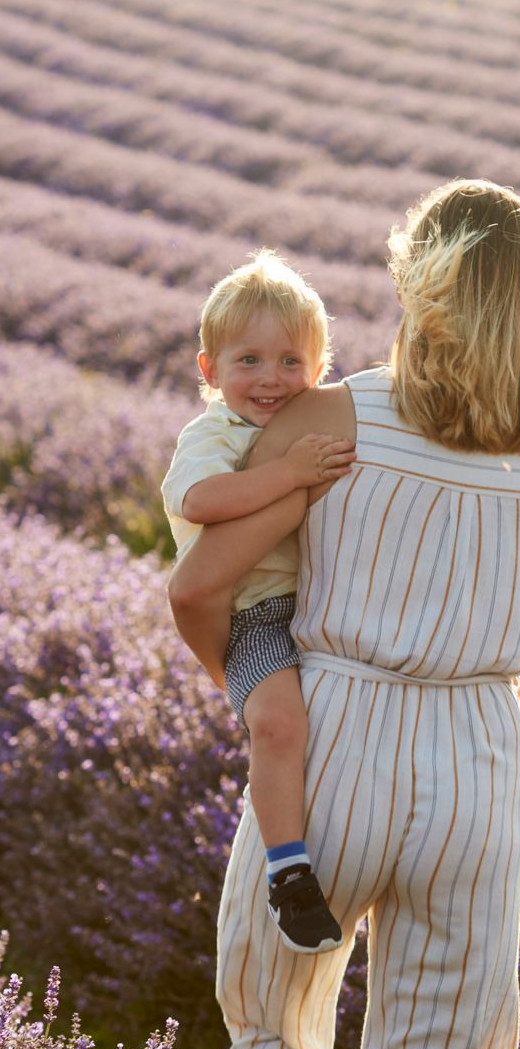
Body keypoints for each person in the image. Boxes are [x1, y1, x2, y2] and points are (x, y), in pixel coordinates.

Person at [168, 179, 520, 1049]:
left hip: (330, 745)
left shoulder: (331, 415)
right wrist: (519, 703)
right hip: (475, 777)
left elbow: (199, 587)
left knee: (275, 1033)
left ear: (419, 294)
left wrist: (261, 697)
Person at [161, 250, 356, 953]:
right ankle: (288, 871)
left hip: (326, 600)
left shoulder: (315, 420)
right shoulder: (212, 436)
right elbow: (203, 500)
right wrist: (290, 473)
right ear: (209, 371)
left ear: (320, 366)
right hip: (258, 618)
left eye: (289, 361)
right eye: (247, 360)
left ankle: (515, 765)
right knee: (278, 725)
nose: (270, 379)